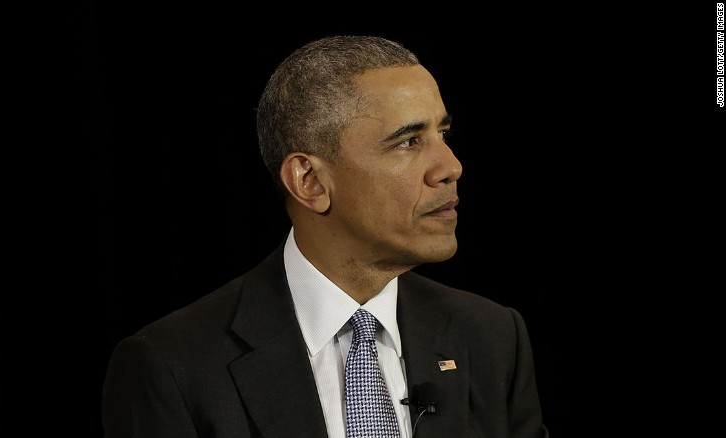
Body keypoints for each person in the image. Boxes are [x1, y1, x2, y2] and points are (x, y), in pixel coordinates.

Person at [101, 35, 549, 438]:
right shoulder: (172, 366)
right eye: (408, 141)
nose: (451, 167)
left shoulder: (491, 337)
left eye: (443, 133)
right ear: (310, 181)